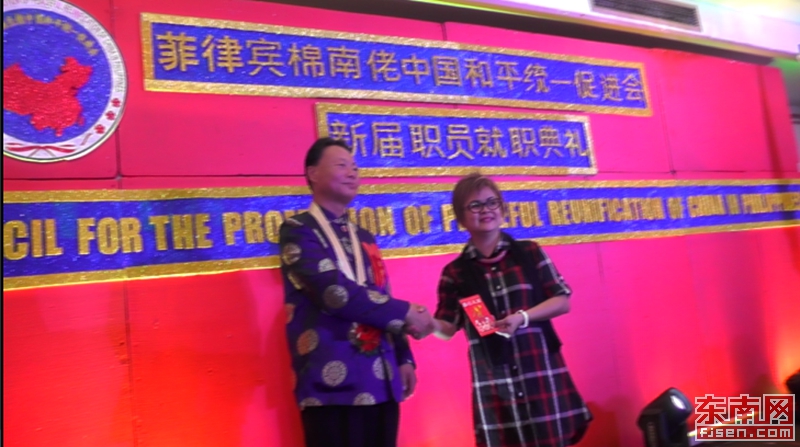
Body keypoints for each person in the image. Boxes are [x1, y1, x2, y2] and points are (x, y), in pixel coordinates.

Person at [279, 137, 435, 447]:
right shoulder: (297, 230)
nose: (352, 173)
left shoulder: (364, 237)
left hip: (381, 377)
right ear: (312, 173)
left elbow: (381, 294)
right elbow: (333, 292)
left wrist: (404, 357)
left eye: (355, 167)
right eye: (342, 165)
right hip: (330, 382)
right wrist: (406, 312)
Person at [431, 173, 592, 447]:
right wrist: (425, 322)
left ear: (502, 208)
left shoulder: (529, 253)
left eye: (492, 202)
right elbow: (446, 328)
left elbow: (562, 300)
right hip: (494, 381)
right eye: (475, 205)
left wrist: (523, 317)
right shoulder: (455, 273)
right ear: (460, 217)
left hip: (540, 372)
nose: (486, 210)